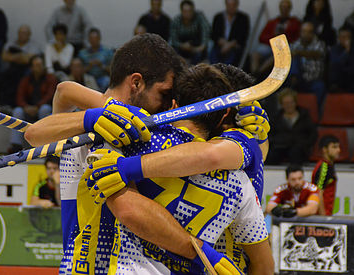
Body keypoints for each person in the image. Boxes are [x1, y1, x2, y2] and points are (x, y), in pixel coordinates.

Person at [25, 41, 272, 275]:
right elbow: (49, 112)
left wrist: (123, 159)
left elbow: (58, 100)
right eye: (163, 94)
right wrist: (96, 115)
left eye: (169, 98)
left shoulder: (135, 138)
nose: (165, 106)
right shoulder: (117, 129)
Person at [9, 55, 57, 153]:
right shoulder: (26, 80)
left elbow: (50, 96)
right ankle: (16, 145)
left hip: (44, 108)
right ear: (31, 68)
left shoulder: (51, 78)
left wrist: (37, 107)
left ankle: (44, 144)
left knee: (45, 108)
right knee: (17, 111)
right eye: (36, 65)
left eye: (40, 65)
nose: (38, 68)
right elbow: (19, 96)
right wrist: (25, 107)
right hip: (28, 108)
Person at [266, 88, 317, 165]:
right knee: (272, 155)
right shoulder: (276, 118)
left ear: (295, 102)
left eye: (291, 102)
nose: (289, 105)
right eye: (285, 103)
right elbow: (271, 135)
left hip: (300, 148)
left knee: (296, 152)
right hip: (280, 146)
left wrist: (305, 144)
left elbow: (313, 134)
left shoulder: (304, 115)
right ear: (281, 104)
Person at [251, 0, 301, 77]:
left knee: (277, 55)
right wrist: (273, 36)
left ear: (290, 9)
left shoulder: (295, 23)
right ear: (279, 8)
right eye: (282, 7)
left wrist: (283, 36)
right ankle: (252, 74)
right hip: (270, 45)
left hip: (285, 47)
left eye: (286, 7)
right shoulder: (272, 22)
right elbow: (261, 37)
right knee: (255, 54)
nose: (284, 9)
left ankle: (258, 74)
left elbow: (296, 38)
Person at [0, 24, 41, 109]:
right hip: (12, 68)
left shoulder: (34, 45)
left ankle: (18, 105)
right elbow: (4, 56)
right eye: (20, 32)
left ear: (29, 34)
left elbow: (29, 60)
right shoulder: (10, 43)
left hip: (27, 69)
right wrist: (20, 56)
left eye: (25, 33)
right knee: (2, 77)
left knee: (23, 78)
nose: (22, 35)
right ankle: (5, 105)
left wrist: (13, 57)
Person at [289, 21, 327, 109]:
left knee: (321, 87)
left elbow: (316, 54)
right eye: (304, 31)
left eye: (309, 32)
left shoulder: (319, 44)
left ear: (313, 33)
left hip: (313, 81)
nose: (306, 34)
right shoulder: (295, 44)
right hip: (298, 79)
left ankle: (316, 115)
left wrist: (298, 52)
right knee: (293, 59)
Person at [210, 0, 250, 66]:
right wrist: (224, 43)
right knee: (213, 54)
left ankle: (227, 73)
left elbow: (243, 36)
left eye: (233, 5)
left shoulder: (243, 18)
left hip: (235, 46)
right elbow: (214, 35)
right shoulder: (218, 17)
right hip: (220, 45)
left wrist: (230, 45)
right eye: (229, 5)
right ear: (226, 5)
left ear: (237, 5)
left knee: (233, 57)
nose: (231, 7)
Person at [170, 0, 210, 65]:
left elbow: (206, 32)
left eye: (190, 11)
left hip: (196, 47)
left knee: (202, 55)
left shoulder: (199, 17)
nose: (188, 14)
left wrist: (201, 47)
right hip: (181, 47)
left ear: (193, 10)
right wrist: (182, 45)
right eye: (185, 11)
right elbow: (174, 40)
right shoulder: (176, 20)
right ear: (181, 11)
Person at [311, 135, 340, 216]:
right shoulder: (324, 167)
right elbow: (318, 193)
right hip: (321, 216)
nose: (338, 150)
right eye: (334, 147)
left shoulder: (329, 165)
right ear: (324, 150)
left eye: (338, 147)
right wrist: (323, 218)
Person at [78, 27, 113, 92]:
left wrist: (102, 66)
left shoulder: (107, 52)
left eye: (95, 38)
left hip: (103, 77)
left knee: (107, 81)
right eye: (91, 39)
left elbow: (113, 70)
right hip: (88, 77)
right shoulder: (83, 53)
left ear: (99, 38)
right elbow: (78, 72)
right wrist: (89, 66)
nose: (93, 41)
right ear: (88, 40)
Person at [329, 26, 354, 93]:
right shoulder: (334, 49)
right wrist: (346, 51)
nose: (346, 39)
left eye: (348, 37)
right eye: (343, 37)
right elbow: (336, 64)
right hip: (340, 77)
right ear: (339, 38)